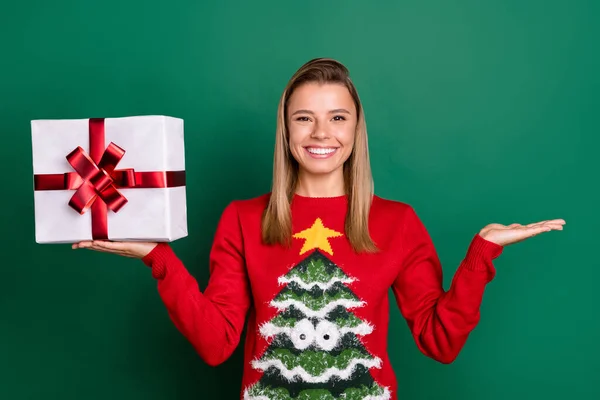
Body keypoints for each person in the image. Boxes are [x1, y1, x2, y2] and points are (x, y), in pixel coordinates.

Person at [73, 58, 565, 400]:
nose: (321, 133)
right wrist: (159, 259)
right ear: (286, 130)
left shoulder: (396, 222)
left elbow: (440, 340)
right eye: (304, 118)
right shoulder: (244, 219)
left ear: (355, 129)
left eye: (337, 118)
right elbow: (216, 342)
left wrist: (481, 253)